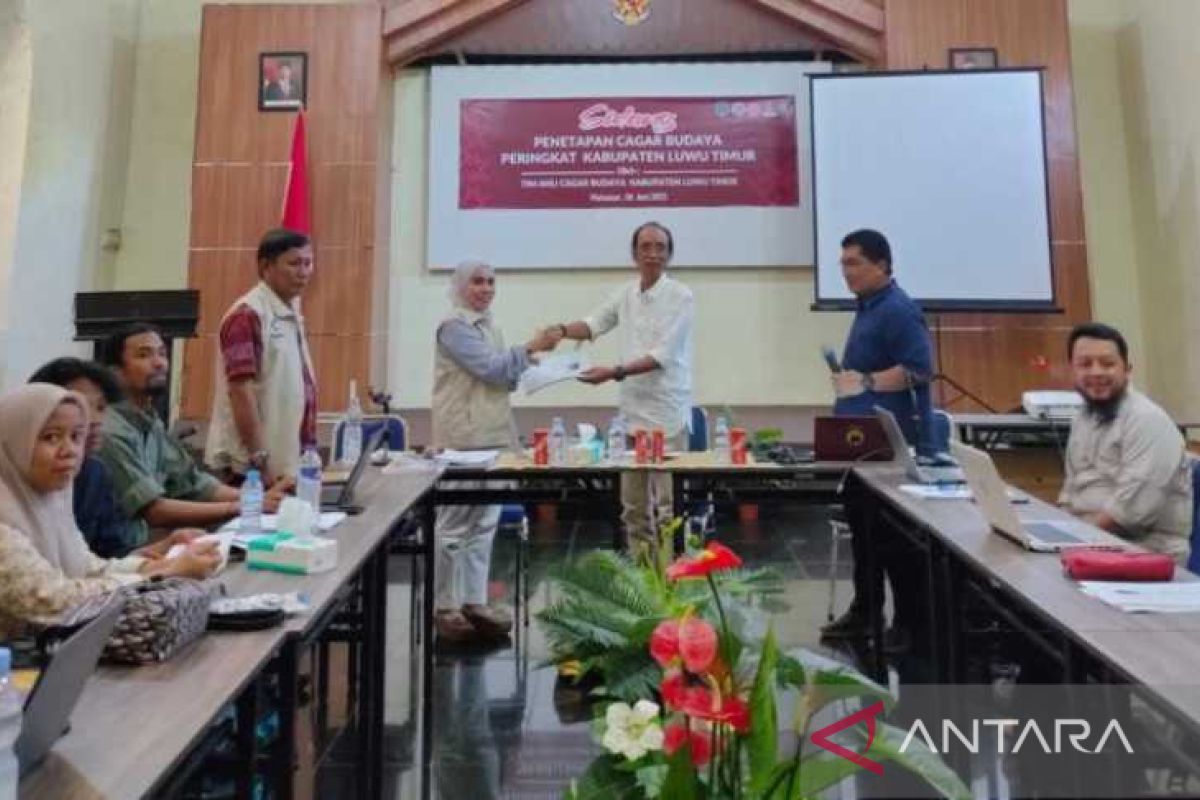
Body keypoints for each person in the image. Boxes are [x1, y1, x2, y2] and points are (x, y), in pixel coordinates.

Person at [0, 384, 220, 639]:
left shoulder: (48, 501)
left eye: (75, 437)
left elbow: (89, 569)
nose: (69, 450)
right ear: (12, 442)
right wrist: (164, 573)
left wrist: (158, 562)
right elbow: (57, 601)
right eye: (50, 437)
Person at [431, 261, 560, 642]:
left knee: (484, 525)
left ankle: (474, 601)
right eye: (477, 282)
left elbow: (502, 374)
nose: (485, 289)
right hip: (464, 440)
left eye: (490, 282)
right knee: (454, 526)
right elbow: (489, 368)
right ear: (459, 286)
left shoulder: (490, 326)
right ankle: (444, 606)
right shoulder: (454, 327)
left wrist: (536, 369)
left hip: (493, 437)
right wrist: (532, 347)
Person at [821, 229, 934, 652]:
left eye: (854, 263)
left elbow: (920, 369)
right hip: (861, 444)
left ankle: (907, 624)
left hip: (890, 444)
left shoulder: (898, 309)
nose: (846, 272)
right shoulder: (868, 307)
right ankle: (866, 609)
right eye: (843, 264)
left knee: (892, 539)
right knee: (865, 534)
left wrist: (865, 380)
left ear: (882, 264)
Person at [553, 221, 694, 562]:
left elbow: (663, 356)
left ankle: (674, 589)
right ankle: (645, 584)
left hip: (667, 417)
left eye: (660, 247)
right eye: (645, 247)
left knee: (668, 511)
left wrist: (613, 372)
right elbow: (593, 324)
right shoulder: (626, 294)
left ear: (670, 254)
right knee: (633, 510)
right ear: (634, 254)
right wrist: (557, 331)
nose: (653, 254)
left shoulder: (681, 296)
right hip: (632, 418)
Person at [96, 323, 288, 549]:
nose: (159, 363)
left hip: (150, 542)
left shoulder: (149, 420)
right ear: (115, 372)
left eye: (162, 353)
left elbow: (194, 483)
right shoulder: (109, 431)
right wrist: (242, 506)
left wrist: (254, 498)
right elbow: (154, 510)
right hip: (122, 555)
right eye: (144, 355)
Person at [1059, 323, 1191, 561]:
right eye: (1085, 364)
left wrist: (1072, 540)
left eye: (1107, 364)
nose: (1096, 372)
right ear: (1073, 371)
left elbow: (1129, 514)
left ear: (1127, 370)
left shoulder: (1147, 420)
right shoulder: (1083, 417)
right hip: (1092, 544)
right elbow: (1071, 493)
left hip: (1145, 554)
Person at [206, 228, 317, 485]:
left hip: (286, 463)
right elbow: (241, 392)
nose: (303, 272)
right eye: (294, 263)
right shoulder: (247, 315)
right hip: (252, 470)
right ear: (265, 266)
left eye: (308, 263)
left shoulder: (289, 310)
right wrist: (260, 459)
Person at [28, 357, 134, 557]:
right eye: (81, 407)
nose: (93, 420)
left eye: (101, 408)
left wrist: (161, 553)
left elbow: (111, 553)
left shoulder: (96, 473)